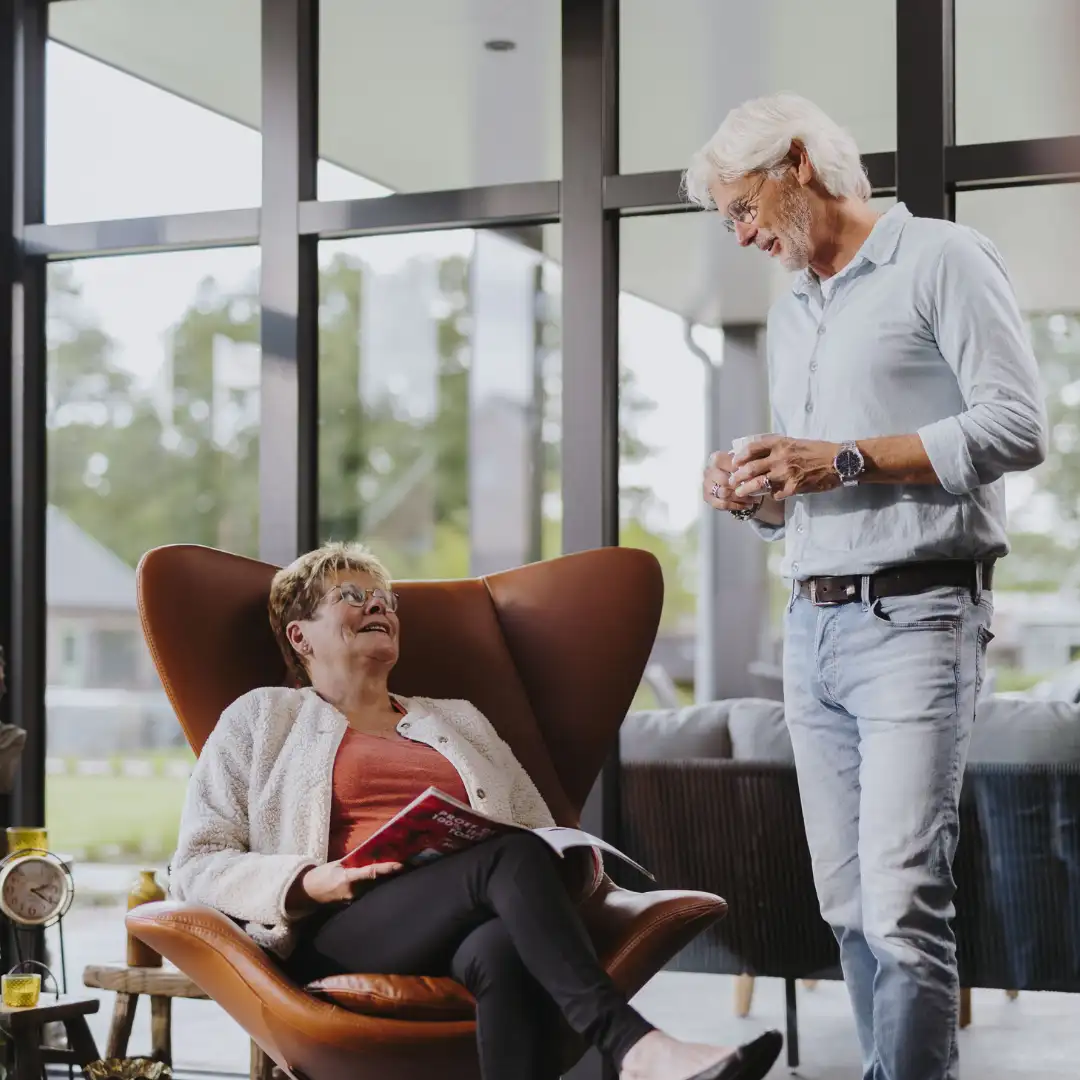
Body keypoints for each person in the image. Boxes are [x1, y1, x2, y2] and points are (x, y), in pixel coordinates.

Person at [689, 93, 1047, 1080]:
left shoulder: (942, 259)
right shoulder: (795, 306)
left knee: (899, 899)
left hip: (919, 617)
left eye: (743, 209)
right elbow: (803, 485)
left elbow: (1017, 427)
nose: (743, 234)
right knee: (848, 906)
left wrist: (839, 459)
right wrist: (755, 492)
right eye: (727, 222)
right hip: (813, 631)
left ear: (798, 162)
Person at [171, 541, 781, 1080]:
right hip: (339, 927)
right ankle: (634, 1046)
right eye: (354, 595)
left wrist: (571, 867)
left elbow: (540, 832)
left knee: (501, 949)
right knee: (509, 859)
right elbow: (196, 864)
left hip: (469, 912)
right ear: (300, 635)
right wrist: (308, 881)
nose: (379, 605)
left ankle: (638, 1051)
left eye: (386, 599)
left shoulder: (458, 719)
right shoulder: (263, 718)